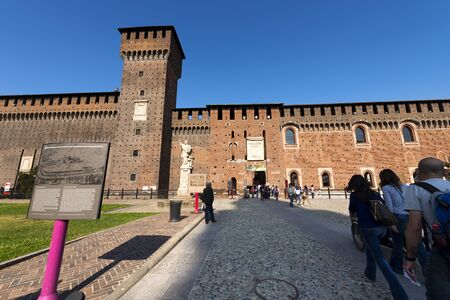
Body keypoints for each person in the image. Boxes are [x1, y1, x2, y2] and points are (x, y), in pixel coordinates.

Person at [348, 175, 409, 300]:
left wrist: (353, 217)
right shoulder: (373, 193)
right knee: (372, 249)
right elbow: (383, 207)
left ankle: (399, 293)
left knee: (380, 259)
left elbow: (352, 210)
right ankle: (370, 273)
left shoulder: (355, 196)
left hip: (368, 229)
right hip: (381, 228)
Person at [404, 157, 450, 299]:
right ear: (443, 171)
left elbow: (414, 226)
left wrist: (410, 257)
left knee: (438, 293)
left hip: (442, 248)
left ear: (419, 172)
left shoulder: (416, 189)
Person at [379, 169, 410, 274]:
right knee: (416, 244)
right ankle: (426, 269)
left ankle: (397, 267)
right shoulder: (404, 186)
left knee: (397, 242)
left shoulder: (386, 188)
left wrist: (390, 221)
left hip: (398, 217)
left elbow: (390, 207)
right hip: (408, 216)